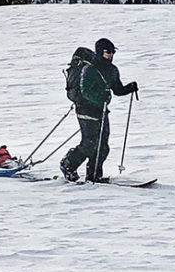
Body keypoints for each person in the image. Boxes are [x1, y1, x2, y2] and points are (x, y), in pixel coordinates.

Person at [58, 38, 138, 182]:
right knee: (90, 144)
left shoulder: (112, 70)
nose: (111, 55)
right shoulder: (90, 70)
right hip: (86, 110)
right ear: (100, 52)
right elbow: (85, 91)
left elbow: (117, 90)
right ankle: (68, 164)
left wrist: (129, 88)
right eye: (108, 52)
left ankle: (94, 175)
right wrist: (101, 98)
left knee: (102, 147)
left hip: (101, 112)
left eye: (113, 52)